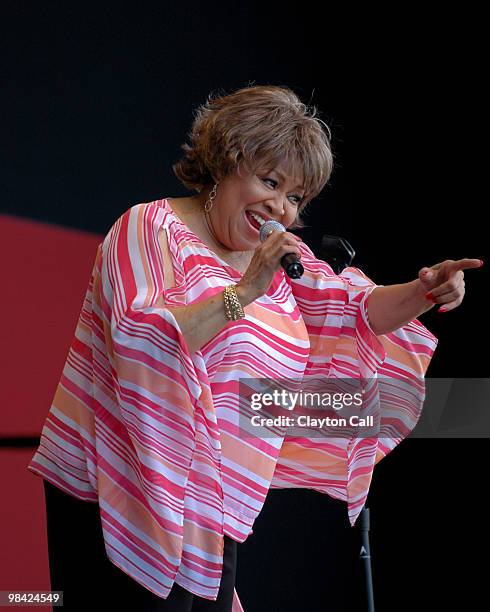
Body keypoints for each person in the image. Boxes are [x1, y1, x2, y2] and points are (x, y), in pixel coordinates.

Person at [27, 84, 482, 611]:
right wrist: (244, 292)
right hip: (116, 482)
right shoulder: (150, 227)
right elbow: (138, 337)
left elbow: (354, 311)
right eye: (269, 181)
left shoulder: (281, 262)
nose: (281, 208)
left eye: (295, 197)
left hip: (210, 501)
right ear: (226, 162)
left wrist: (424, 290)